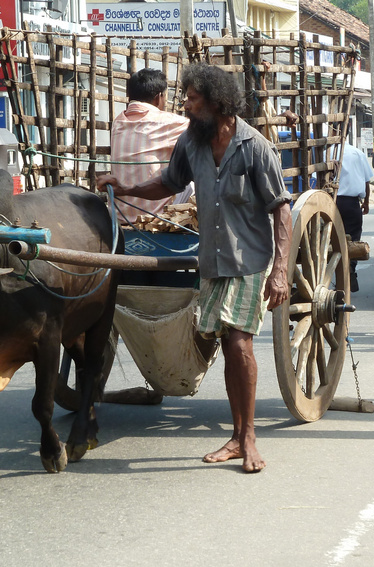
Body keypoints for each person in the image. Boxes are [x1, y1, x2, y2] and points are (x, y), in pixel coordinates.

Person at [97, 63, 291, 473]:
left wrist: (280, 271)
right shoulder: (192, 142)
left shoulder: (254, 147)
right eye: (183, 97)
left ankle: (249, 437)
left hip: (250, 261)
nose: (183, 104)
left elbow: (281, 210)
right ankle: (236, 437)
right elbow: (168, 183)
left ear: (217, 104)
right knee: (227, 345)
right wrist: (126, 186)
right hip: (212, 259)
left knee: (239, 344)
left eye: (191, 98)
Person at [110, 68, 193, 224]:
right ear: (158, 98)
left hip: (120, 217)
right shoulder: (172, 123)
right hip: (154, 218)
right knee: (192, 181)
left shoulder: (118, 122)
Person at [337, 139, 373, 292]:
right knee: (353, 237)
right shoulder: (357, 153)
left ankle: (339, 268)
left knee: (334, 237)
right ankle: (350, 269)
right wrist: (366, 202)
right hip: (352, 203)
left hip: (332, 202)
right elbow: (366, 181)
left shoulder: (327, 152)